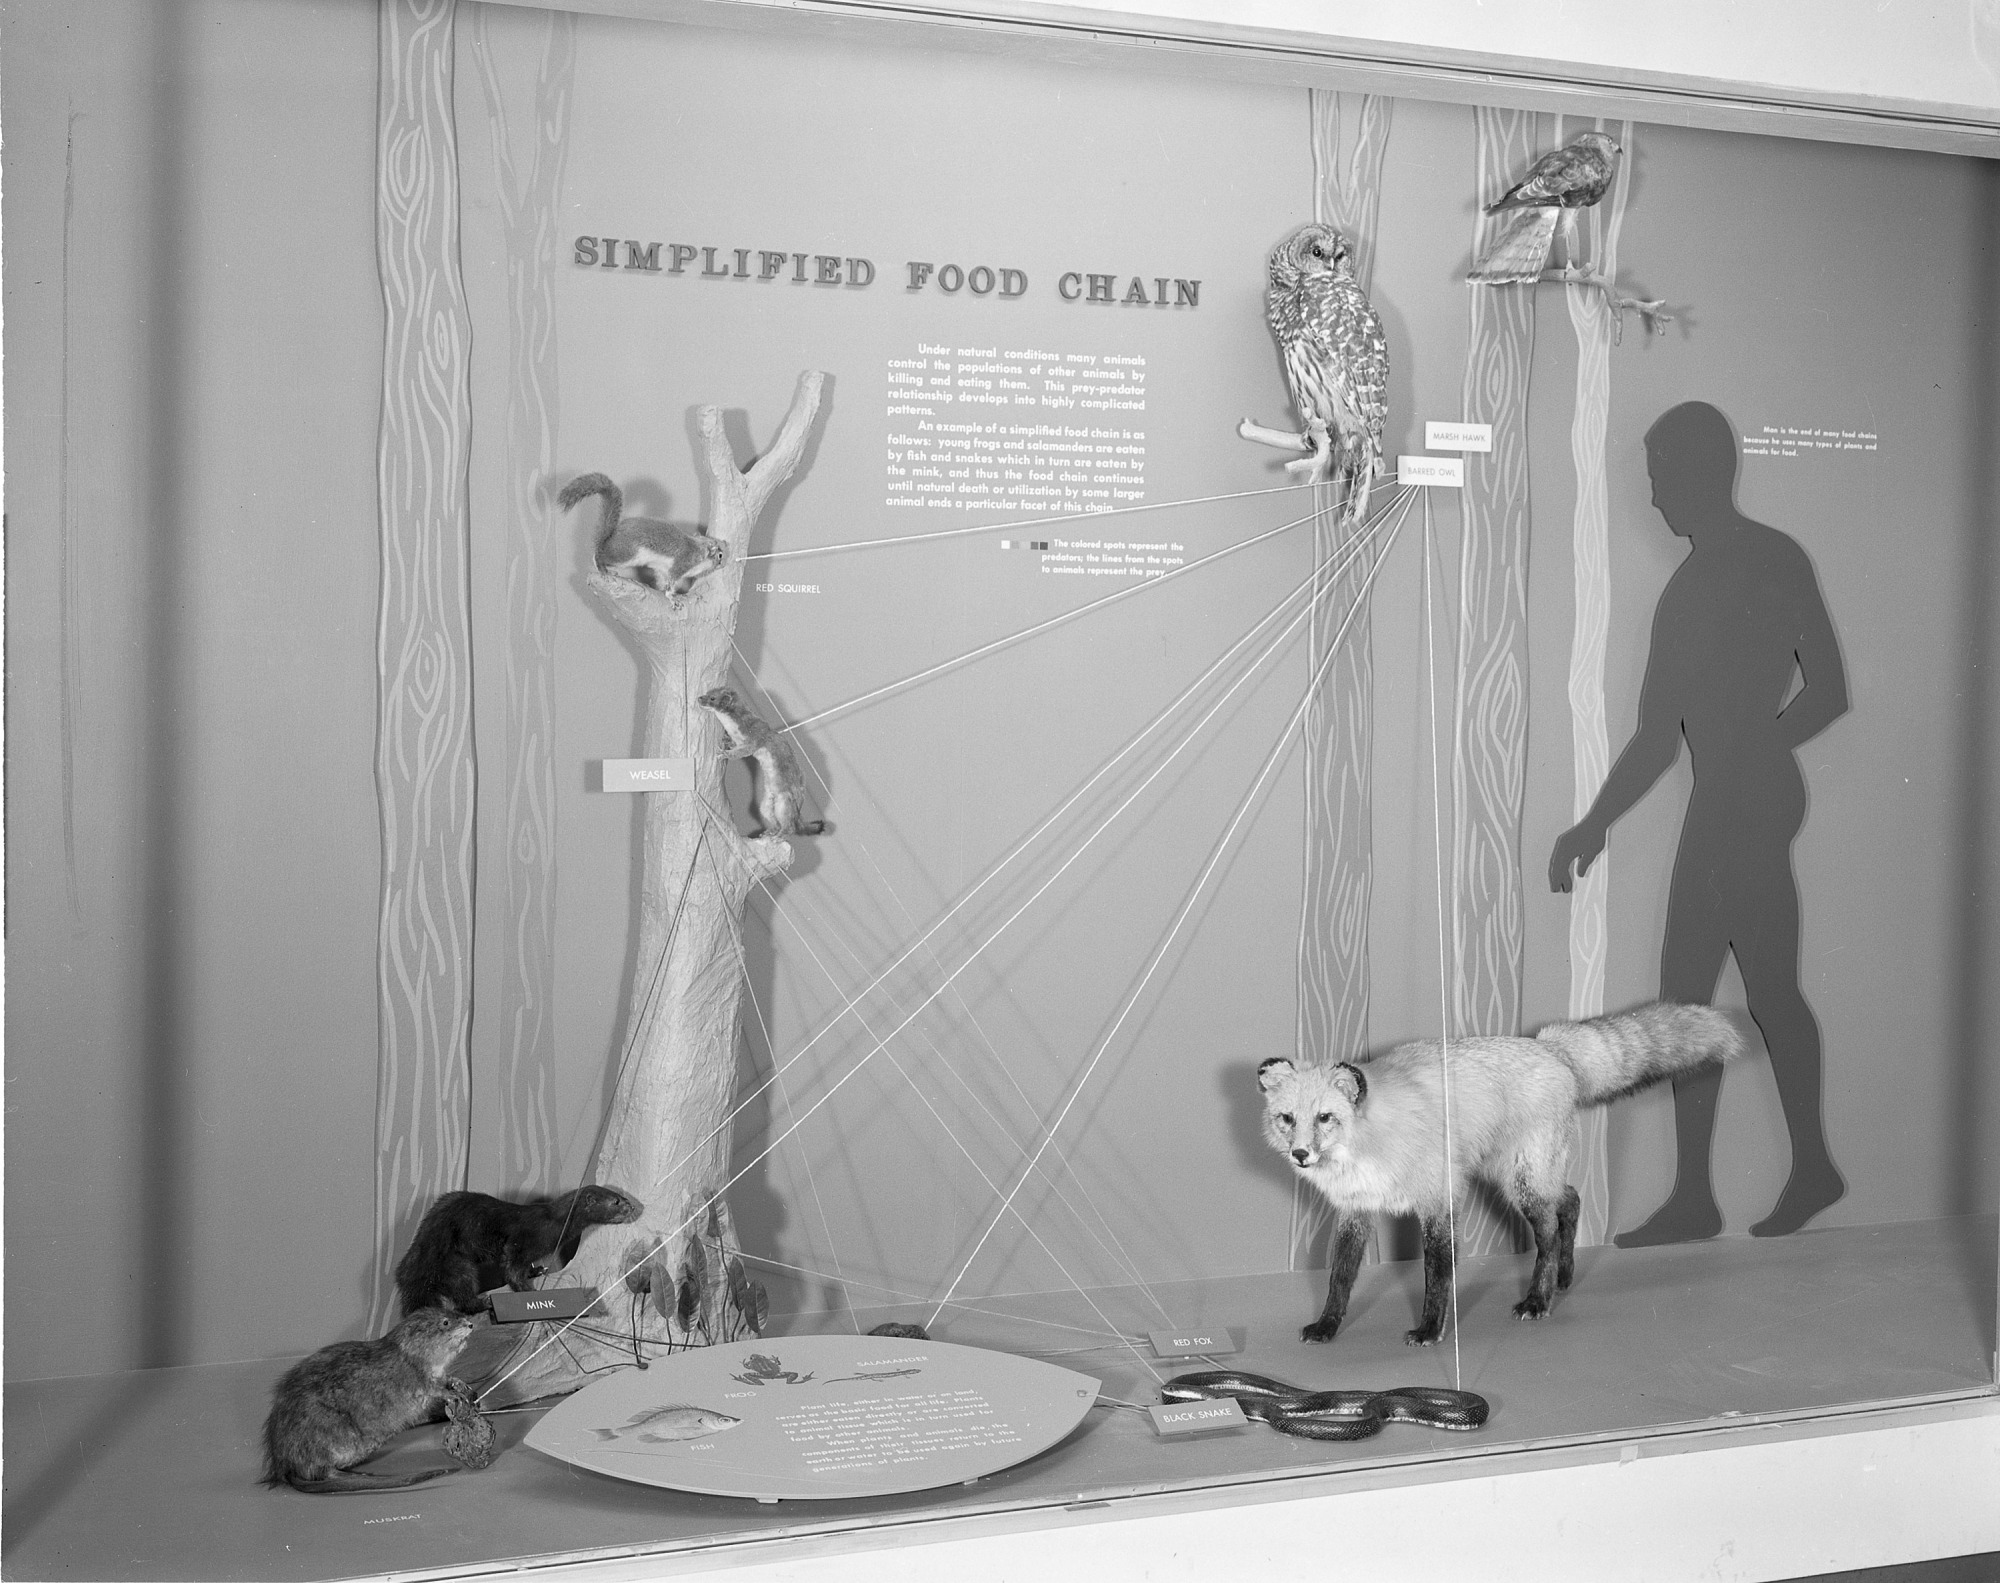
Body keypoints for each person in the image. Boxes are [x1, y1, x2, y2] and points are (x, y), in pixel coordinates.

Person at [1549, 401, 1847, 1245]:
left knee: (1762, 990)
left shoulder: (1771, 559)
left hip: (1750, 801)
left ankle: (1804, 1170)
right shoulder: (1685, 590)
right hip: (1722, 800)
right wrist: (1593, 824)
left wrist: (1762, 744)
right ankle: (1696, 1195)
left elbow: (1829, 688)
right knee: (1691, 1001)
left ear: (1698, 472)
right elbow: (1657, 736)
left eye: (1659, 477)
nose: (1652, 497)